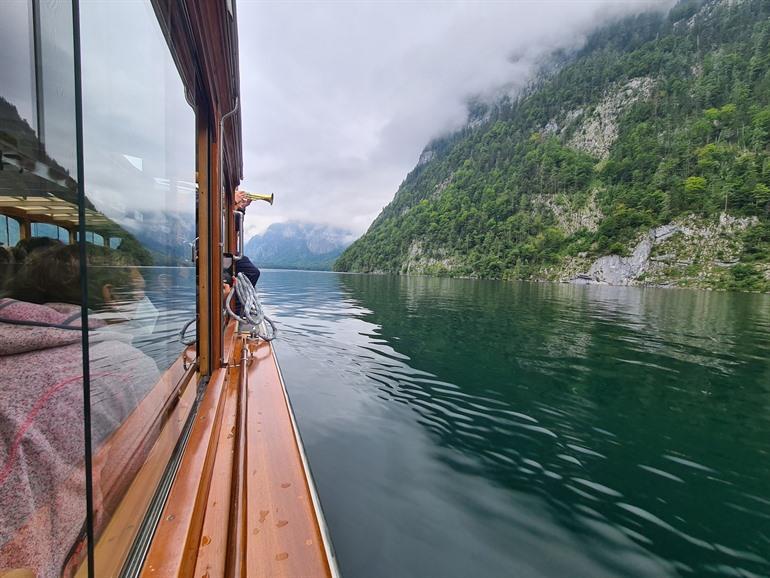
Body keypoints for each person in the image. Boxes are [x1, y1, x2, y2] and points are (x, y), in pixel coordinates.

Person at [0, 244, 160, 577]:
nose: (145, 304)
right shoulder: (129, 367)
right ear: (111, 294)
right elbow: (147, 478)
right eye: (139, 293)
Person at [233, 188, 261, 287]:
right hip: (212, 249)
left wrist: (241, 207)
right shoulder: (200, 198)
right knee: (252, 272)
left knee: (253, 272)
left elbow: (236, 227)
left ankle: (238, 295)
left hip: (227, 249)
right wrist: (233, 201)